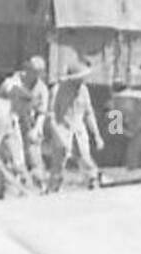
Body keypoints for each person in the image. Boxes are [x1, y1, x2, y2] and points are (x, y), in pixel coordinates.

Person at [44, 61, 104, 192]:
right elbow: (51, 116)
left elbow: (88, 113)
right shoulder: (57, 90)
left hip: (79, 130)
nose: (82, 80)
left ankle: (93, 184)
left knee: (86, 158)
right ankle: (53, 189)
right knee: (58, 164)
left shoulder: (84, 90)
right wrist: (58, 136)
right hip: (62, 129)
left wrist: (97, 135)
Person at [0, 56, 49, 187]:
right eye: (33, 71)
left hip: (29, 121)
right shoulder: (13, 81)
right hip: (11, 118)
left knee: (34, 152)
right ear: (27, 69)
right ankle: (13, 180)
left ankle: (40, 183)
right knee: (15, 154)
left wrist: (37, 128)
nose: (36, 75)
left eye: (39, 72)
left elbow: (42, 112)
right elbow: (7, 92)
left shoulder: (42, 88)